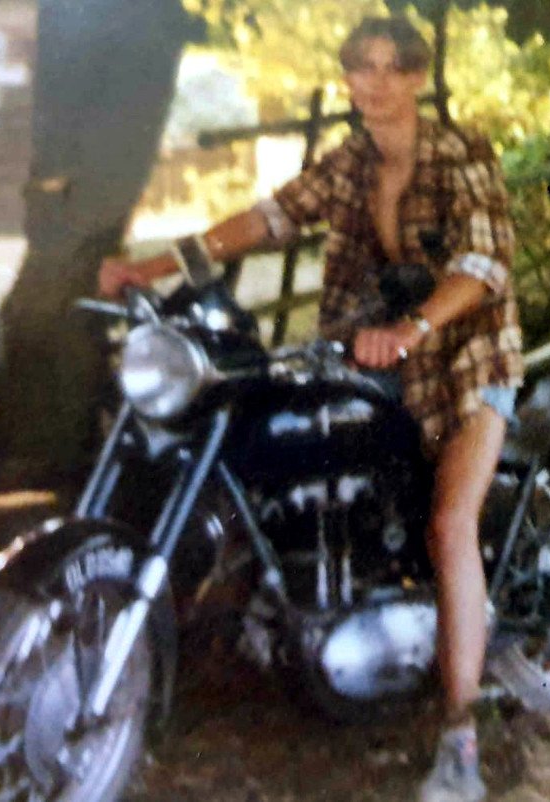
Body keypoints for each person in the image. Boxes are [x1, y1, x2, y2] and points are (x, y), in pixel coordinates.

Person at [99, 15, 523, 802]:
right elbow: (270, 219)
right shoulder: (351, 162)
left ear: (417, 77)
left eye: (391, 67)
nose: (374, 83)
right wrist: (150, 269)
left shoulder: (462, 153)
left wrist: (412, 328)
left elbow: (482, 263)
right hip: (370, 354)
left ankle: (462, 740)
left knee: (449, 523)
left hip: (467, 355)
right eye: (361, 67)